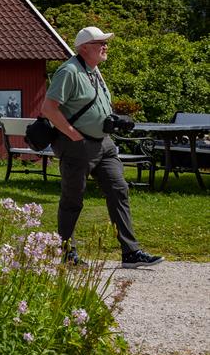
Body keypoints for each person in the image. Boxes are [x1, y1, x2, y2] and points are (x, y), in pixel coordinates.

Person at [40, 27, 163, 269]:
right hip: (77, 146)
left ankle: (131, 252)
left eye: (105, 42)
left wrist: (115, 120)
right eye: (100, 42)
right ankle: (68, 254)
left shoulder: (95, 71)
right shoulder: (69, 71)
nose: (105, 46)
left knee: (119, 190)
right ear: (84, 47)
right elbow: (48, 108)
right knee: (72, 199)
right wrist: (74, 135)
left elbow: (94, 106)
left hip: (103, 144)